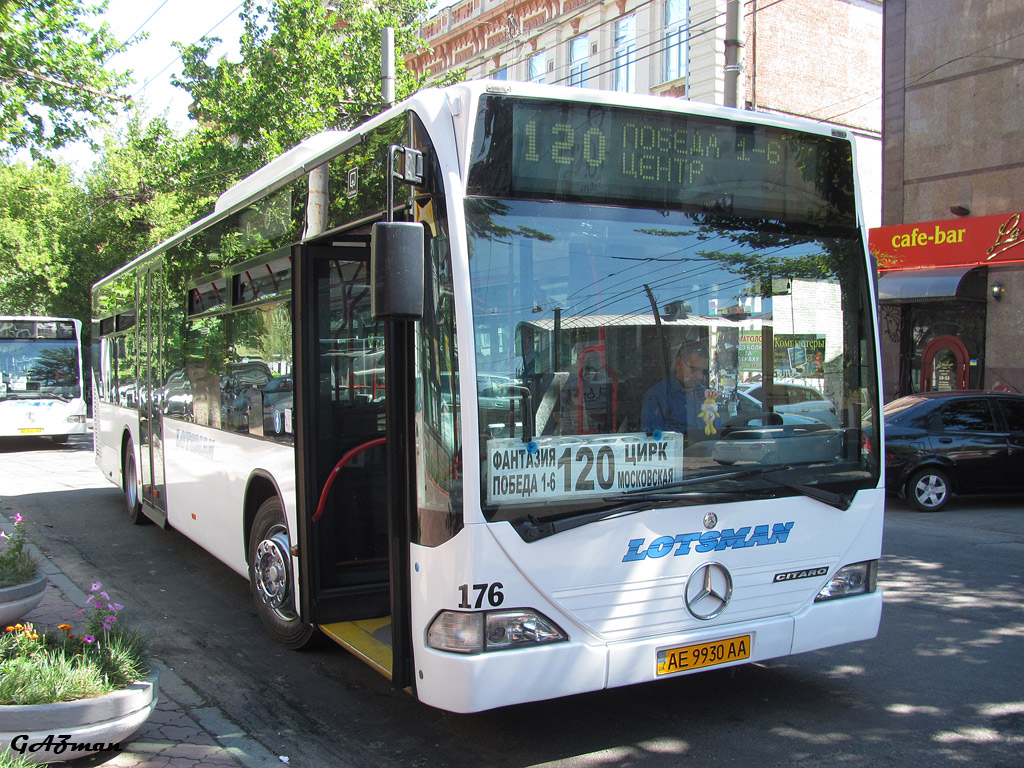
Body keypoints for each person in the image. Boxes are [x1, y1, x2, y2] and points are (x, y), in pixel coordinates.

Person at [641, 340, 720, 439]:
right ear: (679, 363)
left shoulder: (705, 395)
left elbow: (717, 430)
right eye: (694, 369)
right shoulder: (658, 396)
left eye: (703, 371)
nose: (700, 377)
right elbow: (652, 441)